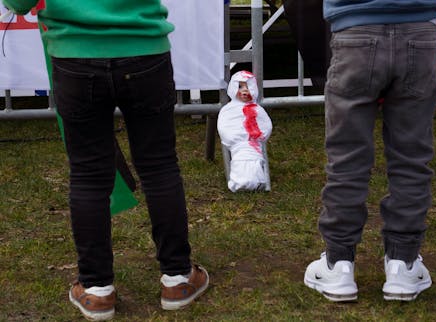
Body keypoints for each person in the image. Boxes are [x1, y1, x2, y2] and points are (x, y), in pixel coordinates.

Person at [2, 0, 208, 320]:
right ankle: (177, 278)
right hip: (143, 48)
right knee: (158, 166)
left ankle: (97, 289)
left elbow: (17, 2)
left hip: (75, 54)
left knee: (88, 174)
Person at [304, 0, 436, 302]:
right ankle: (403, 263)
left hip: (354, 30)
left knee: (347, 157)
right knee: (411, 156)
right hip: (419, 30)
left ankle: (339, 263)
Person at [217, 70, 272, 192]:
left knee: (254, 161)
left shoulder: (257, 109)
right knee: (241, 161)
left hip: (254, 145)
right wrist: (236, 138)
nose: (245, 90)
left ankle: (258, 180)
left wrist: (258, 136)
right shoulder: (228, 110)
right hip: (238, 146)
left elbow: (265, 124)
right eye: (240, 86)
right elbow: (225, 125)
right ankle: (240, 181)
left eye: (248, 86)